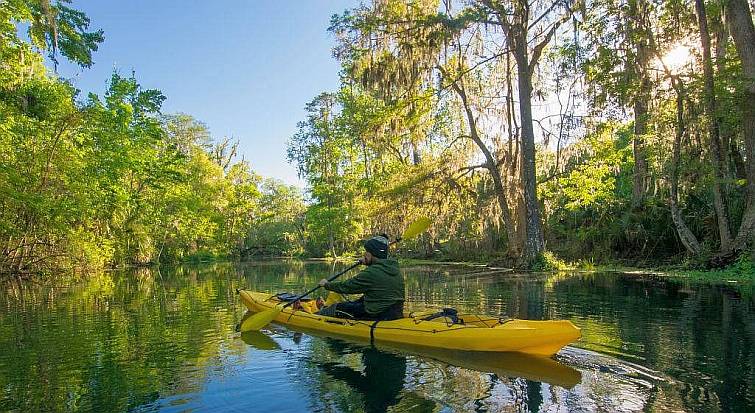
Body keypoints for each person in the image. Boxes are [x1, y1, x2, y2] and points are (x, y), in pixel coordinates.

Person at [317, 235, 405, 320]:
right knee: (360, 300)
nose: (364, 254)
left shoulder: (371, 273)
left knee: (336, 307)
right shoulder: (394, 269)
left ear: (372, 254)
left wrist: (326, 284)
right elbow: (377, 275)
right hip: (393, 312)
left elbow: (346, 287)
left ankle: (317, 316)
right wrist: (368, 262)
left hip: (376, 313)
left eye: (366, 251)